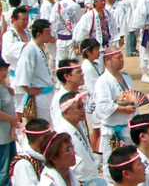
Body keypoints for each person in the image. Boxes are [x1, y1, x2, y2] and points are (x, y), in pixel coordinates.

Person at [93, 47, 136, 176]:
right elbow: (103, 106)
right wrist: (124, 109)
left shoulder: (126, 77)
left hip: (128, 127)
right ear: (107, 60)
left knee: (130, 162)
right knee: (112, 164)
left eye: (122, 57)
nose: (122, 60)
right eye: (118, 58)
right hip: (113, 132)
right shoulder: (102, 81)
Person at [16, 19, 55, 122]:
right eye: (47, 33)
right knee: (41, 128)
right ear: (39, 34)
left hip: (47, 94)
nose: (50, 35)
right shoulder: (30, 49)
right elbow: (22, 72)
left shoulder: (39, 47)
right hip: (40, 96)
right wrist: (29, 90)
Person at [55, 91, 98, 184]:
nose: (83, 110)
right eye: (79, 107)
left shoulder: (77, 125)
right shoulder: (62, 132)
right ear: (66, 112)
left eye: (83, 106)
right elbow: (66, 163)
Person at [11, 118, 52, 186]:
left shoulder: (44, 156)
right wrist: (48, 180)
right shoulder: (23, 165)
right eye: (50, 137)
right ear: (41, 139)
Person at [49, 0, 81, 69]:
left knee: (60, 64)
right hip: (72, 40)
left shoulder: (57, 5)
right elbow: (79, 23)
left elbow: (52, 20)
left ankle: (60, 81)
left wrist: (53, 34)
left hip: (60, 38)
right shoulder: (76, 6)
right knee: (74, 64)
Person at [78, 39, 101, 153]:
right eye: (96, 49)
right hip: (93, 101)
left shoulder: (93, 64)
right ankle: (95, 153)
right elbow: (92, 88)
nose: (99, 52)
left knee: (98, 130)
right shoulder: (87, 67)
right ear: (88, 52)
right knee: (97, 130)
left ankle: (95, 152)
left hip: (94, 99)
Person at [0, 58, 17, 186]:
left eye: (5, 69)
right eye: (0, 70)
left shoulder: (4, 84)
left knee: (12, 164)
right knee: (4, 169)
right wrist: (13, 120)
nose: (4, 73)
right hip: (2, 135)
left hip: (9, 131)